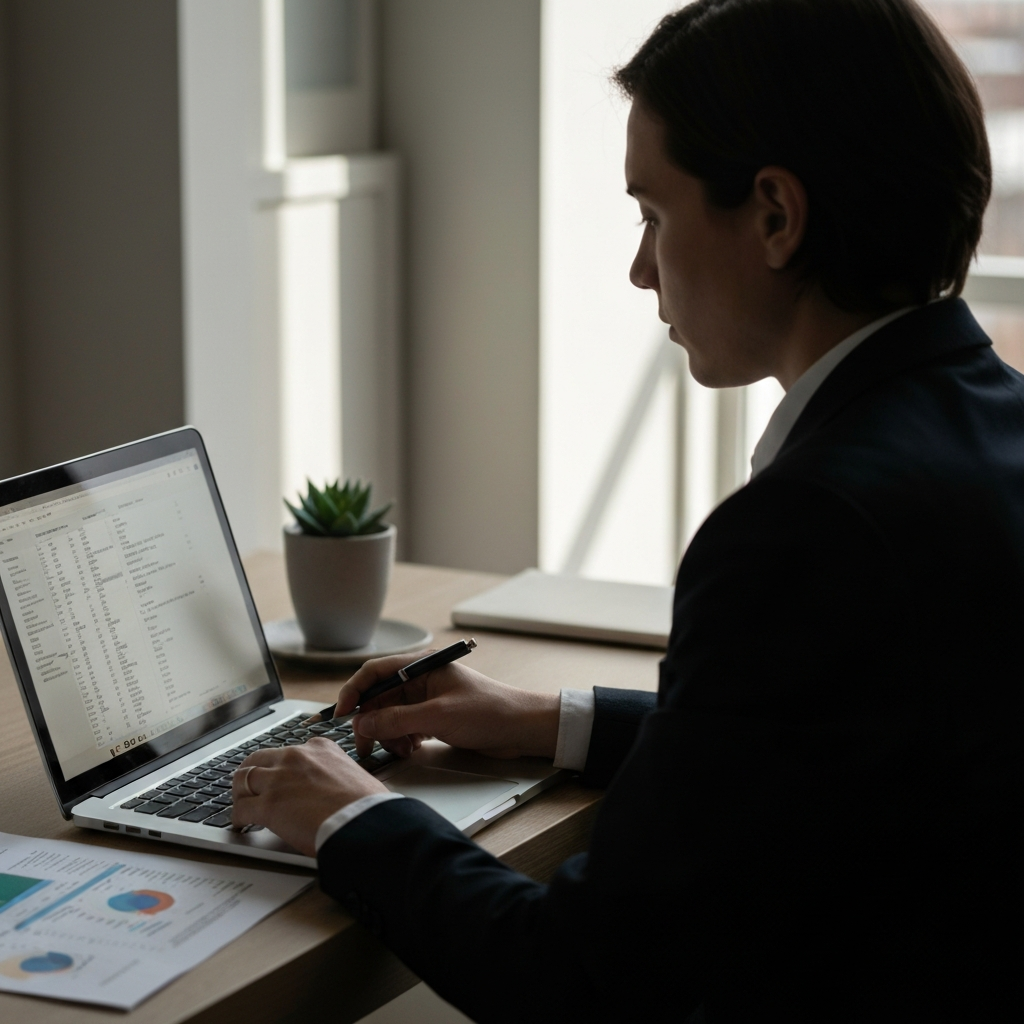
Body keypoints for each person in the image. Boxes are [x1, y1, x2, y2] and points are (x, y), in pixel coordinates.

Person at [233, 1, 1022, 1019]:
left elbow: (586, 983)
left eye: (652, 213)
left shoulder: (812, 525)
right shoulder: (990, 425)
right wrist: (547, 721)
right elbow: (825, 749)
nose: (640, 267)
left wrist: (353, 819)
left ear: (776, 215)